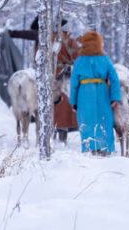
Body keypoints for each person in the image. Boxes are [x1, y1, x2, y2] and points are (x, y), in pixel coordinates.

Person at [9, 15, 80, 143]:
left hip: (46, 75)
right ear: (66, 29)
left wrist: (10, 33)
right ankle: (62, 137)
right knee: (63, 107)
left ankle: (48, 134)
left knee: (47, 106)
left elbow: (38, 56)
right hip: (64, 77)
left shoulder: (46, 40)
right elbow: (78, 59)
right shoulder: (70, 42)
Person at [70, 31, 121, 155]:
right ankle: (106, 149)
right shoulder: (104, 59)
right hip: (103, 92)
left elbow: (74, 83)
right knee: (105, 121)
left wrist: (73, 101)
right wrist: (115, 97)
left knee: (87, 121)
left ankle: (89, 148)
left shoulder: (79, 61)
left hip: (84, 94)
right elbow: (114, 78)